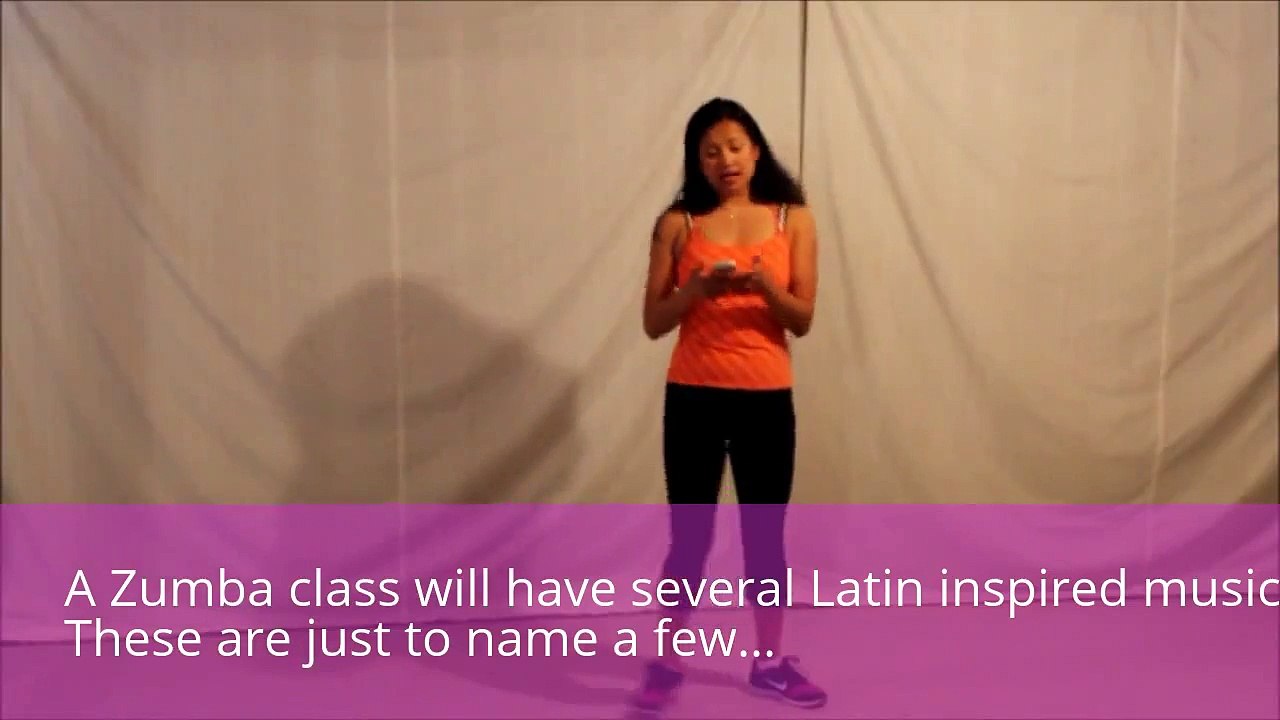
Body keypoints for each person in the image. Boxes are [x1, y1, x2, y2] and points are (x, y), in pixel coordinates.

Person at [631, 97, 827, 713]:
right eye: (711, 151)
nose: (725, 160)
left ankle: (769, 663)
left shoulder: (794, 219)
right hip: (693, 398)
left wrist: (764, 285)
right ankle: (666, 662)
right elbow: (654, 322)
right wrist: (696, 288)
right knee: (689, 539)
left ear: (757, 150)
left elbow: (803, 318)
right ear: (698, 161)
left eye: (735, 147)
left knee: (764, 539)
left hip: (766, 401)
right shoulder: (678, 224)